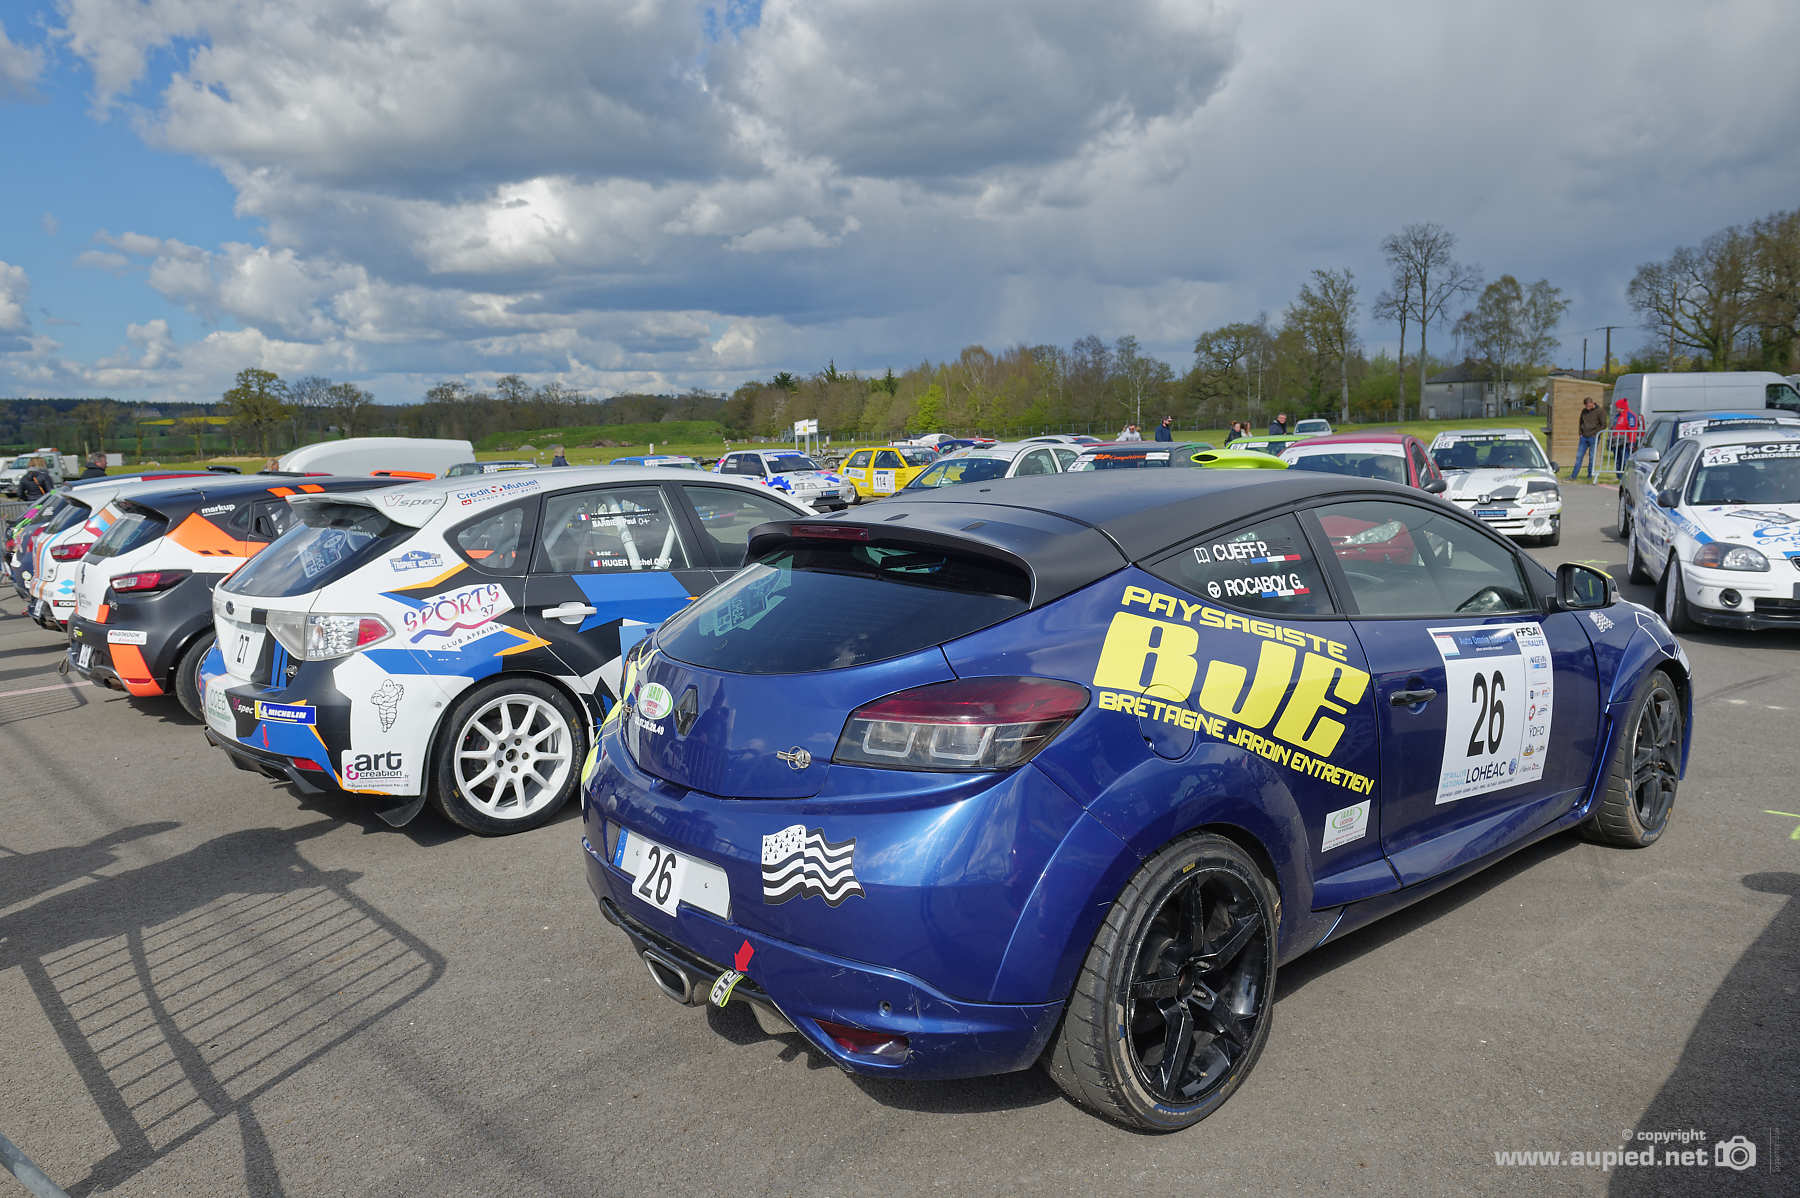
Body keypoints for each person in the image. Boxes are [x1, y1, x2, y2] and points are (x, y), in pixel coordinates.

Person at [1571, 396, 1604, 480]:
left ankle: (1590, 475)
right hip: (1584, 437)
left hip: (1593, 437)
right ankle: (1573, 476)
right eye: (1586, 406)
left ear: (1592, 403)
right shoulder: (1584, 411)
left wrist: (1596, 434)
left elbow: (1603, 425)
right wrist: (1580, 433)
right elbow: (1580, 422)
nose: (1587, 408)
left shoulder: (1600, 411)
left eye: (1589, 406)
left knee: (1592, 457)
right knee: (1579, 457)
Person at [1610, 395, 1641, 474]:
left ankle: (1626, 474)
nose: (1617, 409)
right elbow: (1613, 428)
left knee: (1625, 459)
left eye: (1618, 407)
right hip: (1616, 441)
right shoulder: (1617, 416)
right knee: (1618, 460)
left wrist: (1632, 442)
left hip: (1626, 442)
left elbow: (1632, 430)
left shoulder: (1630, 416)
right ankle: (1619, 475)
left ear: (1622, 407)